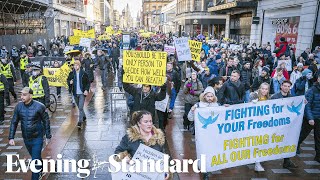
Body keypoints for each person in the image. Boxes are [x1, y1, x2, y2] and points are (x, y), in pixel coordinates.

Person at [8, 87, 51, 180]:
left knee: (34, 161)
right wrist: (11, 137)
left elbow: (46, 121)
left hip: (37, 138)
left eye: (24, 94)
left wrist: (48, 136)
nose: (22, 97)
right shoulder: (19, 107)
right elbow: (14, 122)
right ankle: (42, 169)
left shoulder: (40, 106)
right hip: (26, 138)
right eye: (21, 94)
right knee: (36, 157)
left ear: (30, 96)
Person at [270, 80, 298, 168]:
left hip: (286, 124)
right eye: (285, 86)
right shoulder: (275, 97)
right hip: (276, 124)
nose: (286, 88)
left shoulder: (291, 97)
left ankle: (287, 161)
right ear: (281, 86)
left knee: (287, 141)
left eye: (288, 86)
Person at [298, 73, 320, 163]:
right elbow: (307, 105)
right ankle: (296, 146)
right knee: (303, 134)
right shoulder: (312, 90)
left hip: (319, 118)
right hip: (310, 118)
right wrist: (310, 118)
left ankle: (318, 156)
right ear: (318, 79)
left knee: (318, 137)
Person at [249, 83, 271, 171]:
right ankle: (257, 163)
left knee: (261, 143)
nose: (264, 90)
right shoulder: (253, 96)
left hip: (265, 124)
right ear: (259, 89)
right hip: (255, 124)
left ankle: (257, 161)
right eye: (263, 88)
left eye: (266, 89)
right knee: (256, 143)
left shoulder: (269, 98)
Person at [67, 60, 90, 129]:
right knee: (80, 107)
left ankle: (80, 122)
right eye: (74, 65)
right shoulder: (71, 73)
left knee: (80, 107)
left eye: (77, 65)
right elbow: (68, 80)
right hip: (75, 93)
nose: (75, 66)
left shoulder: (83, 73)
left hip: (82, 93)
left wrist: (86, 90)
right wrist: (69, 82)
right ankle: (84, 116)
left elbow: (88, 83)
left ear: (79, 66)